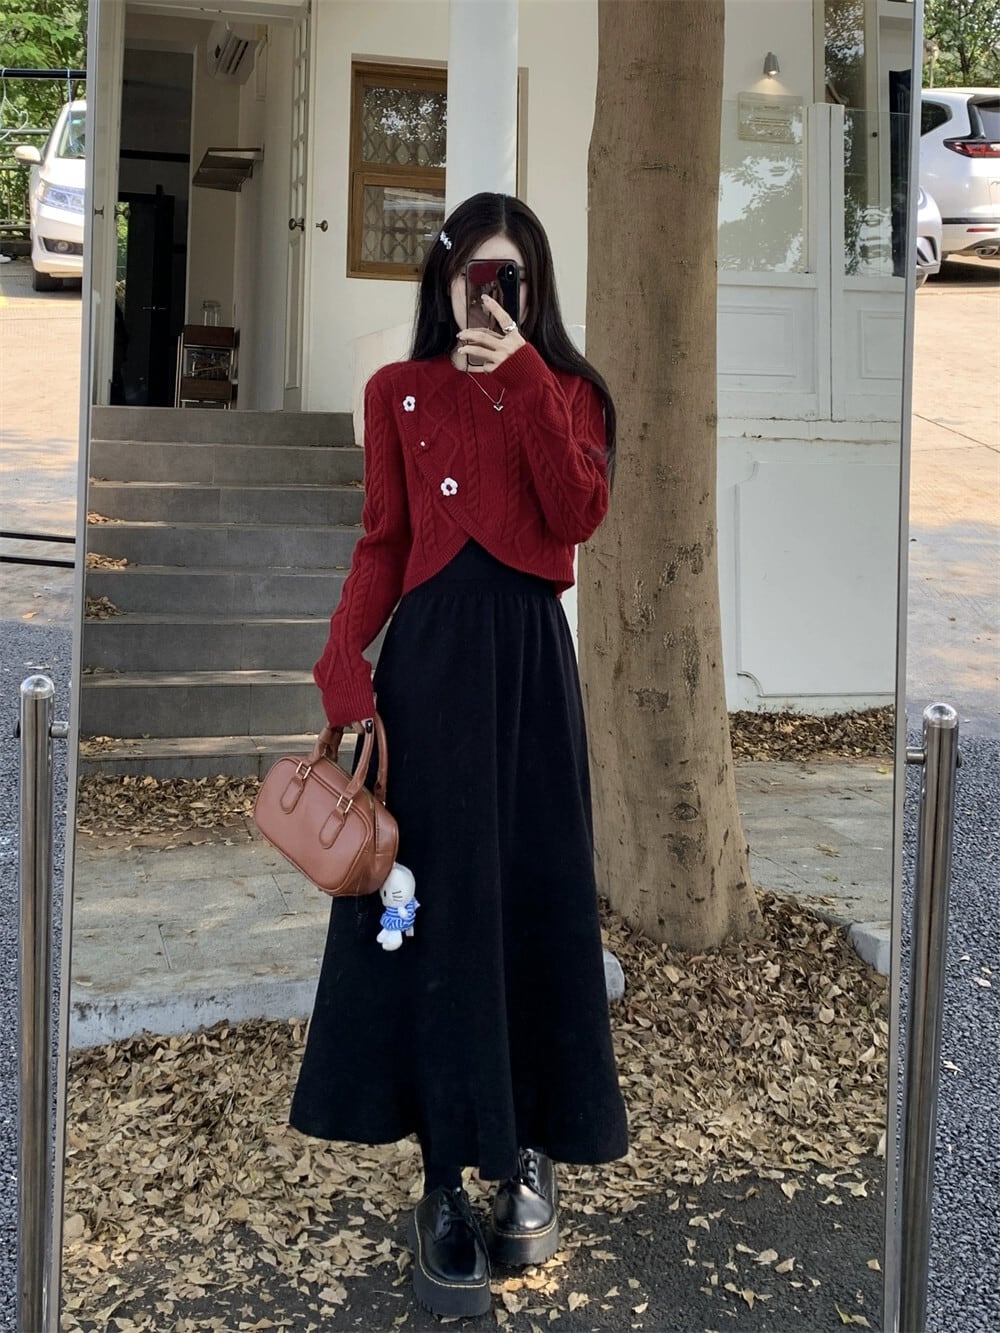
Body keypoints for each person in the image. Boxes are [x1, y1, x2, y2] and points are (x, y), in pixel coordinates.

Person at [289, 192, 628, 1319]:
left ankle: (525, 1147)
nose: (490, 296)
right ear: (441, 282)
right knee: (433, 918)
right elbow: (383, 541)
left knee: (531, 905)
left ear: (535, 287)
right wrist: (343, 666)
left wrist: (523, 375)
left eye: (510, 278)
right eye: (474, 275)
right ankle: (441, 1180)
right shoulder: (397, 392)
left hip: (531, 677)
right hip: (429, 680)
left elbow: (576, 514)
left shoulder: (571, 391)